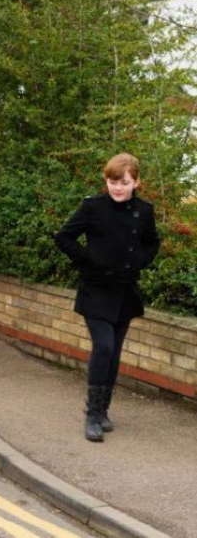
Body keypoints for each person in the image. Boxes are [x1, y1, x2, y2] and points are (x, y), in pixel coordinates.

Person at [55, 153, 160, 443]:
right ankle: (91, 414)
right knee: (103, 346)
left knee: (114, 352)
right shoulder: (93, 207)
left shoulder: (144, 210)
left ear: (136, 182)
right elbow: (64, 237)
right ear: (107, 180)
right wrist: (89, 260)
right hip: (96, 289)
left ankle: (103, 412)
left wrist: (138, 261)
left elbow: (152, 243)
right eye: (113, 181)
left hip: (125, 291)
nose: (117, 187)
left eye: (124, 182)